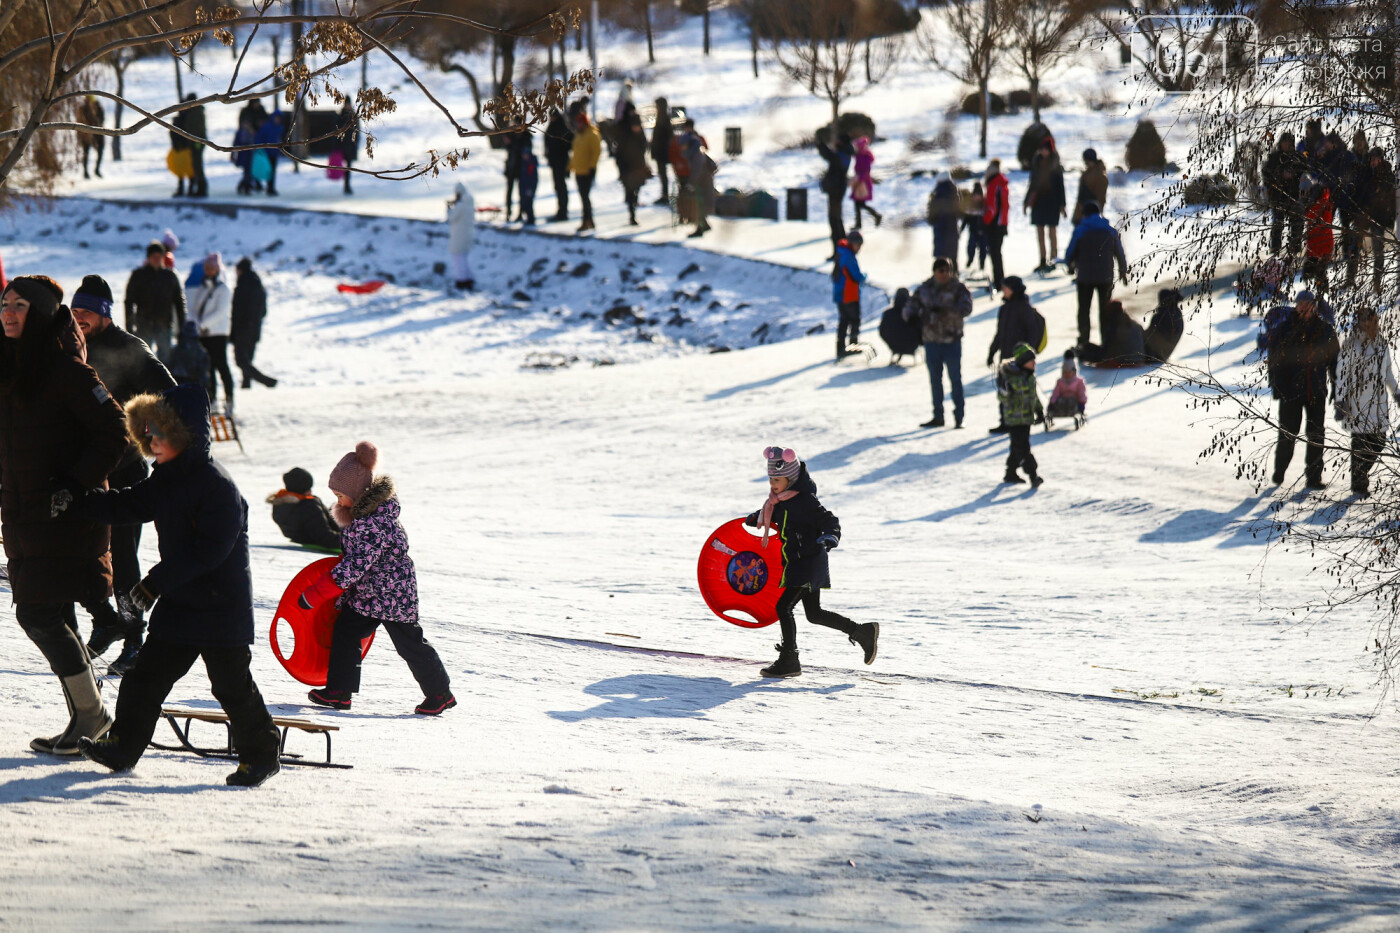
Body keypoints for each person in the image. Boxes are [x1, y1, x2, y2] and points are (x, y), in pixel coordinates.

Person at [67, 385, 282, 787]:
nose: (150, 440)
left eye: (159, 432)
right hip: (183, 605)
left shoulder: (218, 486)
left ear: (184, 434)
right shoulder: (167, 478)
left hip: (220, 608)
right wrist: (79, 502)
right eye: (147, 431)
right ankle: (122, 746)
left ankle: (262, 754)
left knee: (231, 687)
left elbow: (209, 552)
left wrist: (152, 584)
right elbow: (129, 504)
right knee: (144, 678)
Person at [0, 276, 128, 755]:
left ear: (44, 313)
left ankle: (92, 715)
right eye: (5, 304)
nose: (9, 312)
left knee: (37, 613)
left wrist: (75, 485)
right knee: (52, 613)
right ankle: (86, 718)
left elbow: (116, 431)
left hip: (65, 516)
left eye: (20, 306)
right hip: (24, 513)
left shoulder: (67, 371)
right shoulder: (11, 369)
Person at [300, 442, 455, 715]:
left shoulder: (373, 522)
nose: (338, 502)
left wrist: (316, 593)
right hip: (372, 595)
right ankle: (339, 691)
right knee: (346, 632)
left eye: (340, 495)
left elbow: (355, 565)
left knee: (410, 644)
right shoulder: (366, 518)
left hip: (392, 595)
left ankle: (440, 693)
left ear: (357, 494)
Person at [70, 275, 177, 672]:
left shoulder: (130, 349)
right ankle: (108, 621)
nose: (78, 317)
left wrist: (148, 437)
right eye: (74, 310)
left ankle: (134, 637)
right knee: (85, 551)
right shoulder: (73, 346)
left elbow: (169, 393)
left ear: (103, 313)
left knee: (125, 560)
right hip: (88, 468)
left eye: (85, 312)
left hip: (127, 468)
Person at [743, 446, 878, 679]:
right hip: (799, 562)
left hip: (808, 561)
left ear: (791, 479)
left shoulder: (805, 501)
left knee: (783, 607)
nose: (773, 484)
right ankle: (862, 631)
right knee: (814, 614)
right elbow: (774, 515)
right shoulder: (779, 502)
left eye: (777, 479)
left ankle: (789, 659)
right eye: (770, 479)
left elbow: (829, 519)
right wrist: (758, 517)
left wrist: (830, 536)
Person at [1266, 289, 1339, 488]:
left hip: (1316, 391)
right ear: (1296, 306)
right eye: (1301, 304)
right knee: (1288, 434)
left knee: (1316, 435)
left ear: (1315, 307)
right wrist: (1277, 387)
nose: (1304, 308)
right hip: (1290, 392)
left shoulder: (1325, 330)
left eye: (1308, 305)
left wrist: (1337, 387)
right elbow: (1274, 361)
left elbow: (1335, 361)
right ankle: (1279, 471)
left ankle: (1314, 478)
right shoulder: (1284, 329)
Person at [1334, 306, 1397, 498]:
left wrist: (1397, 392)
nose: (1368, 324)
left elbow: (1387, 373)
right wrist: (1341, 400)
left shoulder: (1382, 344)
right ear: (1359, 322)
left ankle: (1360, 476)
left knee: (1379, 442)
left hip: (1378, 404)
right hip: (1357, 404)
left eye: (1372, 320)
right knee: (1360, 445)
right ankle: (1359, 484)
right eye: (1364, 320)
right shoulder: (1351, 345)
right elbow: (1341, 375)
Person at [905, 257, 973, 428]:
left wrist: (946, 311)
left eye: (947, 270)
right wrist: (911, 317)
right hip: (931, 341)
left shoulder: (959, 289)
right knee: (935, 381)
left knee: (955, 380)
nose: (945, 274)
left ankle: (959, 416)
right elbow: (910, 306)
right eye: (941, 271)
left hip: (952, 341)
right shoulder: (925, 289)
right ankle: (938, 416)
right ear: (934, 272)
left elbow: (966, 308)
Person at [1064, 200, 1130, 347]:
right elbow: (1120, 253)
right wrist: (1123, 272)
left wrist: (1069, 265)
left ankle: (1084, 340)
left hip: (1085, 277)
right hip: (1105, 277)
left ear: (1085, 214)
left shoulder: (1080, 230)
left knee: (1084, 310)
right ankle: (1106, 340)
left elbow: (1070, 251)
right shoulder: (1110, 230)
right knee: (1105, 310)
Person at [987, 276, 1043, 433]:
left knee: (1022, 388)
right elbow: (1000, 334)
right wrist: (992, 352)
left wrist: (1027, 356)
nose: (1003, 290)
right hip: (1005, 357)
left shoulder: (1023, 308)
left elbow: (1033, 331)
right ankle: (1005, 420)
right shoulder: (1005, 308)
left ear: (1013, 289)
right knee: (1004, 387)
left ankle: (1025, 418)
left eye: (1006, 287)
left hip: (1020, 358)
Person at [124, 240, 187, 361]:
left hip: (164, 325)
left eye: (159, 256)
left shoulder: (170, 276)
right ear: (148, 258)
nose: (157, 259)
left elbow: (179, 303)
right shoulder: (138, 275)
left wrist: (182, 327)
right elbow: (129, 301)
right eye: (154, 257)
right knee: (142, 360)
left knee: (166, 361)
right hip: (143, 325)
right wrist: (129, 326)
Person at [189, 253, 235, 414]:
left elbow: (221, 311)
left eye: (212, 268)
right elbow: (194, 310)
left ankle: (229, 399)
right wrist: (196, 325)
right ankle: (212, 399)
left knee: (221, 366)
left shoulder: (223, 289)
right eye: (207, 268)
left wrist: (203, 324)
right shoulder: (202, 289)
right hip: (204, 335)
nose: (209, 271)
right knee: (208, 369)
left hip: (218, 334)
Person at [998, 343, 1045, 486]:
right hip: (1015, 419)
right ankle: (1033, 475)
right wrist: (1006, 392)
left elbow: (1034, 397)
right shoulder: (1011, 378)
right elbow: (1002, 397)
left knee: (1016, 446)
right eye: (1032, 361)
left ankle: (1010, 472)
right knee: (1023, 448)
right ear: (1024, 362)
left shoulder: (1030, 378)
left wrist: (1039, 411)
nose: (1034, 363)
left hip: (1026, 419)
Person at [268, 466, 341, 552]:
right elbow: (325, 537)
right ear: (301, 489)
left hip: (302, 537)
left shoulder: (281, 503)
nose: (310, 491)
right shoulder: (308, 506)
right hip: (330, 539)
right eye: (308, 488)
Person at [232, 257, 277, 390]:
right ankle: (246, 385)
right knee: (247, 359)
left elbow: (237, 310)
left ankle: (267, 381)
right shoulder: (258, 285)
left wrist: (235, 328)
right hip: (255, 328)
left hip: (242, 329)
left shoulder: (242, 286)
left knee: (241, 360)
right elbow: (263, 311)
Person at [1026, 136, 1066, 272]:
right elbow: (1032, 183)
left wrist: (1062, 205)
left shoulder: (1056, 165)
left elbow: (1061, 186)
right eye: (1041, 149)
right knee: (1040, 232)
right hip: (1038, 201)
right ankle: (1042, 260)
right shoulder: (1036, 163)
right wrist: (1027, 201)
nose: (1043, 151)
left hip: (1052, 201)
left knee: (1052, 232)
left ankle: (1053, 258)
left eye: (1045, 149)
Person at [1360, 147, 1397, 293]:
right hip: (1365, 215)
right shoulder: (1367, 172)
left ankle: (1377, 282)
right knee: (1355, 247)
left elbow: (1387, 195)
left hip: (1379, 217)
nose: (1373, 161)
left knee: (1378, 252)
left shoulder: (1387, 174)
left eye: (1376, 159)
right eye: (1372, 159)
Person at [1263, 132, 1305, 255]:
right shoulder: (1274, 157)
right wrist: (1280, 176)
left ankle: (1295, 247)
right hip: (1278, 196)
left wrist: (1294, 175)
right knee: (1278, 223)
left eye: (1289, 143)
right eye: (1284, 142)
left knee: (1297, 222)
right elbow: (1267, 174)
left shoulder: (1297, 157)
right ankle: (1275, 248)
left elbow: (1304, 170)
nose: (1286, 145)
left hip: (1294, 195)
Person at [1076, 300, 1145, 366]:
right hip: (1139, 358)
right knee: (1089, 346)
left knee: (1087, 348)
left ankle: (1079, 351)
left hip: (1121, 360)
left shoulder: (1114, 326)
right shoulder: (1135, 323)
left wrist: (1085, 355)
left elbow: (1105, 353)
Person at [817, 130, 853, 256]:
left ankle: (840, 250)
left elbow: (830, 157)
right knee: (836, 220)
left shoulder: (843, 154)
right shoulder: (844, 152)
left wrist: (821, 144)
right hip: (837, 189)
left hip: (836, 190)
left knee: (835, 221)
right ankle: (841, 249)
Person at [832, 231, 866, 360]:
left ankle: (840, 348)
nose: (859, 248)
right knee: (854, 320)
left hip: (840, 293)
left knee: (844, 320)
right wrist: (864, 277)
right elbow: (856, 276)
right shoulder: (849, 257)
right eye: (858, 244)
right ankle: (853, 346)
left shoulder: (842, 253)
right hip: (848, 294)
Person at [615, 109, 652, 226]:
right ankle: (632, 215)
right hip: (628, 169)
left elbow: (644, 149)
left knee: (636, 191)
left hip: (638, 168)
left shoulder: (641, 136)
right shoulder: (625, 137)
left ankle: (633, 210)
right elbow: (619, 154)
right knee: (631, 192)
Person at [569, 109, 602, 233]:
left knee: (585, 197)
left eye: (579, 123)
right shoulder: (578, 135)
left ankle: (587, 221)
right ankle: (589, 221)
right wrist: (570, 167)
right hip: (578, 170)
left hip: (587, 171)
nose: (578, 125)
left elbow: (596, 152)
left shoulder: (592, 135)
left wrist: (592, 167)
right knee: (583, 197)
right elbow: (575, 152)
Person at [682, 120, 715, 239]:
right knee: (699, 206)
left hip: (702, 183)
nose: (682, 148)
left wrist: (690, 183)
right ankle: (704, 225)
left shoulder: (695, 152)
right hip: (702, 182)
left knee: (698, 206)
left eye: (683, 145)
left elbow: (697, 169)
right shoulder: (693, 149)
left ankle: (700, 229)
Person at [983, 159, 1011, 293]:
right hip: (1002, 223)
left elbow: (992, 207)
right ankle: (999, 280)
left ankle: (999, 281)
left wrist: (985, 221)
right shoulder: (1001, 182)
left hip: (995, 224)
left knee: (995, 253)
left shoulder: (995, 183)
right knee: (996, 253)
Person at [1302, 180, 1335, 291]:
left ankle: (1322, 293)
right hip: (1316, 242)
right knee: (1315, 271)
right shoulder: (1318, 204)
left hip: (1321, 244)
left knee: (1319, 272)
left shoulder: (1324, 205)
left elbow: (1324, 223)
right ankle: (1315, 292)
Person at [167, 320, 213, 397]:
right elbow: (204, 371)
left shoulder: (175, 350)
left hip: (176, 384)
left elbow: (169, 366)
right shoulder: (201, 351)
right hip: (194, 386)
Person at [544, 108, 574, 222]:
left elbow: (570, 142)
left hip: (561, 161)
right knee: (558, 186)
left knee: (561, 187)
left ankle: (563, 211)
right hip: (554, 162)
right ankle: (561, 210)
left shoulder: (563, 127)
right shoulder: (552, 127)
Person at [447, 181, 477, 291]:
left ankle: (462, 279)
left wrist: (450, 208)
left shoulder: (460, 206)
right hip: (468, 234)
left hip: (458, 235)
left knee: (458, 258)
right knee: (464, 258)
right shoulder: (469, 203)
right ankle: (468, 278)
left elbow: (451, 218)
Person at [1144, 287, 1185, 362]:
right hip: (1162, 353)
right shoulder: (1175, 313)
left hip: (1156, 354)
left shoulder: (1164, 315)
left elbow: (1153, 335)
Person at [927, 172, 960, 268]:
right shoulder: (955, 191)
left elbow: (933, 212)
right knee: (952, 256)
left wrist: (931, 219)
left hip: (940, 228)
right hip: (953, 227)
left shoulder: (938, 193)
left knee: (941, 256)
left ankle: (940, 276)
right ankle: (954, 274)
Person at [850, 136, 882, 229]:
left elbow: (866, 171)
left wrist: (858, 179)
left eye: (856, 146)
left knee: (860, 204)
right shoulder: (859, 156)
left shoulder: (864, 157)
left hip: (863, 184)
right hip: (860, 183)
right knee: (858, 204)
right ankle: (859, 223)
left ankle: (875, 216)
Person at [1047, 350, 1088, 421]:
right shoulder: (1060, 381)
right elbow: (1055, 393)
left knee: (1071, 401)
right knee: (1060, 401)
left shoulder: (1079, 382)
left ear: (1074, 372)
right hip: (1062, 403)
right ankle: (1059, 411)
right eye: (1065, 372)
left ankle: (1072, 411)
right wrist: (1051, 403)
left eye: (1069, 372)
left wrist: (1082, 403)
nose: (1067, 374)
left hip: (1074, 403)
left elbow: (1082, 393)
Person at [1072, 148, 1108, 224]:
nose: (1085, 162)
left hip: (1091, 214)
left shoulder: (1099, 175)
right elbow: (1081, 196)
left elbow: (1100, 198)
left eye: (1086, 160)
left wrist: (1097, 213)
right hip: (1082, 212)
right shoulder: (1086, 173)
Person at [254, 109, 285, 196]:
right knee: (264, 169)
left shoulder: (280, 127)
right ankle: (259, 184)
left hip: (274, 153)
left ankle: (270, 187)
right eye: (276, 117)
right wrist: (259, 148)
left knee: (272, 171)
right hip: (266, 153)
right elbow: (259, 137)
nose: (277, 120)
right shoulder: (267, 126)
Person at [650, 97, 674, 205]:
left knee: (663, 174)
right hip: (661, 151)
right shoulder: (662, 117)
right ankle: (664, 194)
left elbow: (666, 136)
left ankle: (665, 195)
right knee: (662, 174)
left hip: (662, 151)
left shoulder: (663, 118)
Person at [503, 130, 528, 222]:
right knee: (510, 191)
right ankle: (508, 211)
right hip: (511, 167)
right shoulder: (510, 134)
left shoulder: (525, 136)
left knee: (521, 192)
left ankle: (521, 212)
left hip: (521, 168)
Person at [335, 98, 359, 196]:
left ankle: (347, 185)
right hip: (342, 145)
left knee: (348, 167)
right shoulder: (341, 115)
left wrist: (355, 142)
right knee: (344, 166)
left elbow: (357, 130)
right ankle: (346, 185)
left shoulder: (353, 116)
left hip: (350, 145)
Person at [77, 95, 105, 180]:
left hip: (98, 132)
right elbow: (80, 120)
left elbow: (102, 119)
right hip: (86, 134)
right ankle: (85, 172)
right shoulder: (82, 109)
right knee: (86, 152)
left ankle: (97, 169)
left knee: (100, 150)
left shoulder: (99, 107)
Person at [962, 181, 987, 273]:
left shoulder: (984, 206)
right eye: (975, 195)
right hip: (973, 231)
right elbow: (966, 219)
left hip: (984, 232)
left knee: (983, 249)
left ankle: (982, 264)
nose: (977, 198)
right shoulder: (970, 206)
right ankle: (970, 260)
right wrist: (961, 229)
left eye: (979, 195)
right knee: (970, 247)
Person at [517, 134, 539, 225]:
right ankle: (528, 217)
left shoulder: (531, 164)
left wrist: (530, 188)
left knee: (529, 203)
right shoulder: (524, 163)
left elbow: (532, 178)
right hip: (524, 186)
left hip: (529, 187)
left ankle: (531, 218)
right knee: (525, 203)